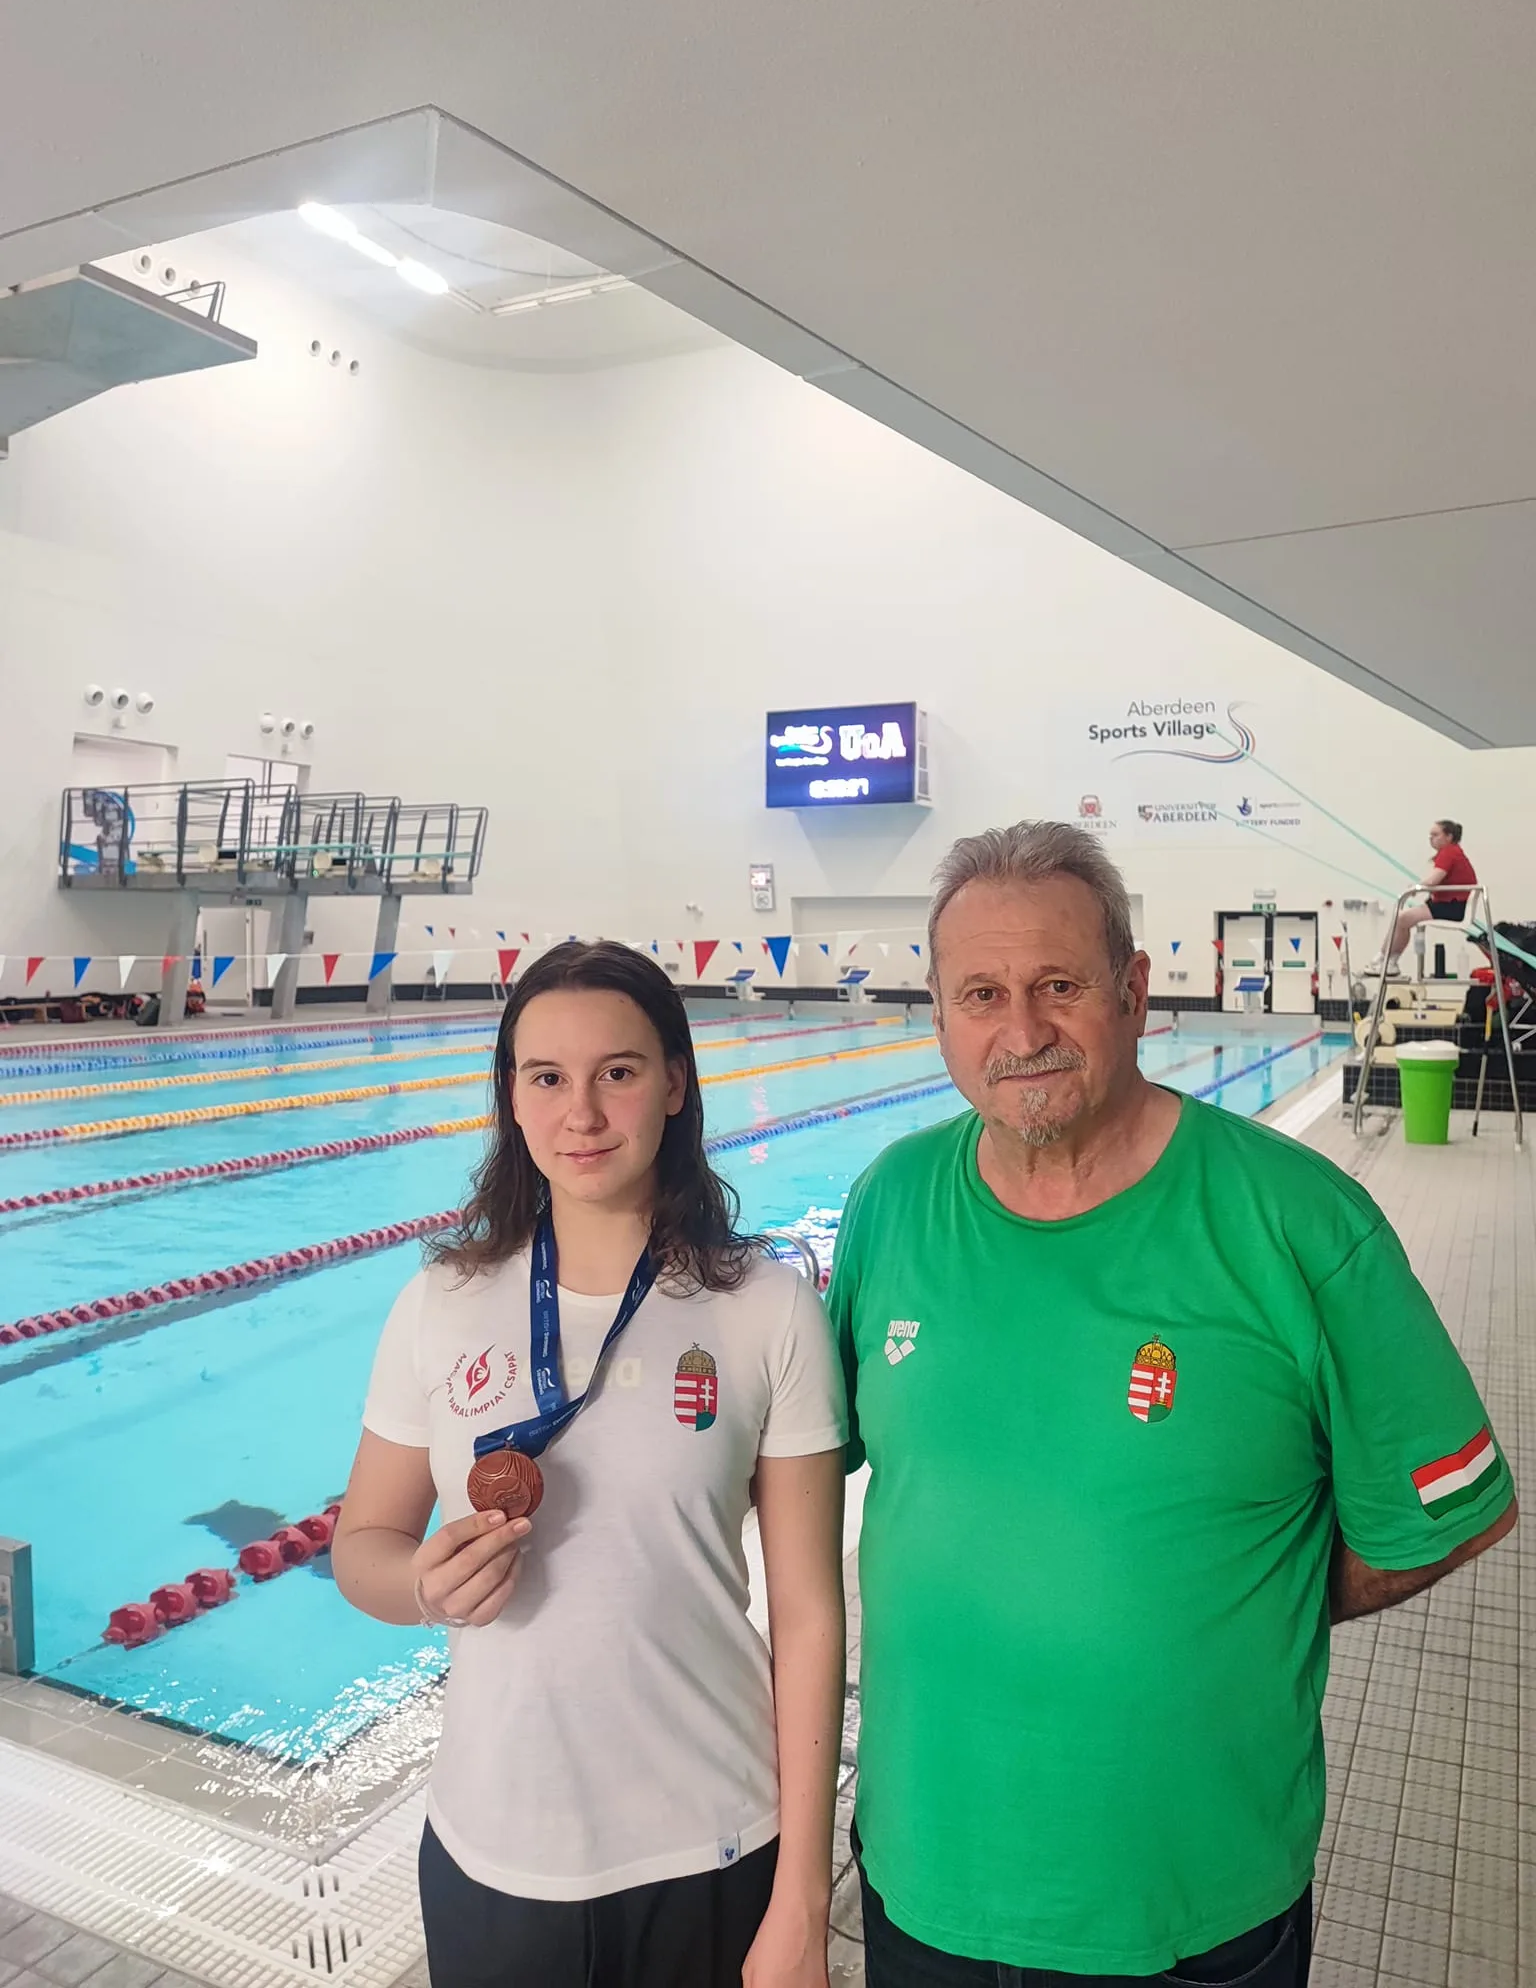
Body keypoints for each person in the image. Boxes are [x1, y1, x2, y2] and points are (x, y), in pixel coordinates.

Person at [828, 820, 1515, 1986]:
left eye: (1060, 984)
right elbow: (808, 1466)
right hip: (925, 1877)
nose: (1023, 1031)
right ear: (937, 1015)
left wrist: (1256, 1602)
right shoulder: (891, 1202)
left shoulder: (1298, 1220)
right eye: (982, 994)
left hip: (1189, 1904)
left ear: (1135, 991)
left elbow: (1449, 1510)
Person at [333, 941, 847, 1988]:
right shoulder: (440, 1302)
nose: (583, 1112)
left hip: (712, 1841)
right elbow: (362, 1545)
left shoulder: (766, 1309)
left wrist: (801, 1897)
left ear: (675, 1082)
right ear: (512, 1098)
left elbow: (807, 1614)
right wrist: (421, 1583)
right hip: (494, 1848)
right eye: (547, 1077)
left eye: (617, 1071)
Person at [1368, 818, 1477, 975]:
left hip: (1452, 907)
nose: (1431, 838)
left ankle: (1383, 959)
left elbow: (1433, 880)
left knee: (1402, 918)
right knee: (1402, 919)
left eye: (1436, 835)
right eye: (1430, 835)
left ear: (1449, 836)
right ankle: (1388, 960)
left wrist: (1416, 887)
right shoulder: (1451, 852)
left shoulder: (1449, 852)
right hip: (1447, 904)